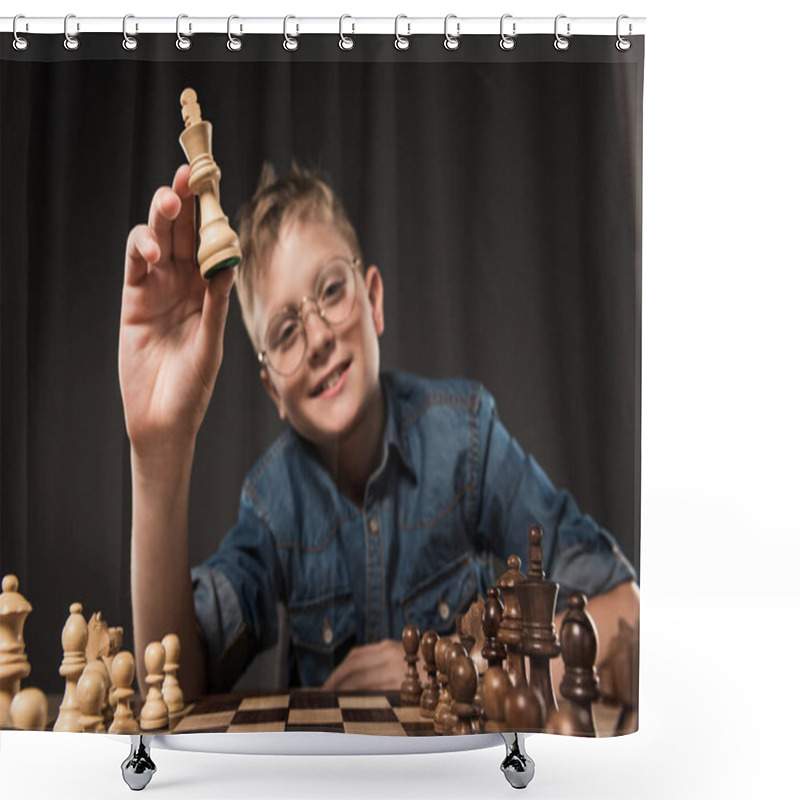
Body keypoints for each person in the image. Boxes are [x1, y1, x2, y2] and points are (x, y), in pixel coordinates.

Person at [119, 162, 639, 702]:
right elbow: (174, 680)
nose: (318, 336)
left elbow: (624, 605)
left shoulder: (464, 438)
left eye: (332, 290)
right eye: (286, 331)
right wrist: (160, 451)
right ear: (273, 390)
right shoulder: (273, 502)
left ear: (374, 301)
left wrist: (450, 668)